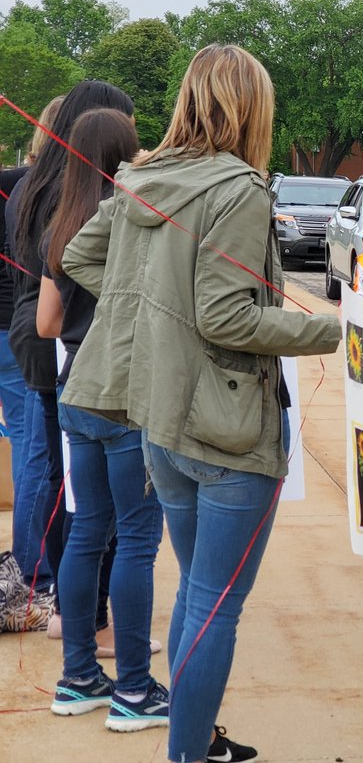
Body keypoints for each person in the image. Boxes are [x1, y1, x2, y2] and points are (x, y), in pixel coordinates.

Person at [61, 44, 341, 761]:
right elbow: (227, 317)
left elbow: (80, 257)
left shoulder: (145, 176)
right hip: (225, 429)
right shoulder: (238, 188)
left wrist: (155, 319)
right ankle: (186, 752)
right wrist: (330, 331)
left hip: (164, 424)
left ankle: (191, 744)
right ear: (253, 109)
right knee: (215, 604)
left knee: (197, 593)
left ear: (189, 98)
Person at [38, 108, 166, 731]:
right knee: (138, 539)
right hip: (126, 395)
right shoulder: (133, 219)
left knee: (88, 530)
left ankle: (78, 677)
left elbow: (47, 322)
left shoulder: (62, 225)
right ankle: (135, 689)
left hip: (76, 388)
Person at [7, 83, 134, 634]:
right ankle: (56, 590)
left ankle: (51, 587)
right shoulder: (77, 197)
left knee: (52, 468)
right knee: (73, 487)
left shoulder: (33, 185)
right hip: (62, 341)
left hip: (37, 335)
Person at [0, 96, 60, 632]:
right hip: (21, 330)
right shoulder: (43, 189)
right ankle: (31, 570)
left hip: (14, 329)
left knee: (29, 442)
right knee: (33, 447)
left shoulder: (18, 185)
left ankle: (29, 568)